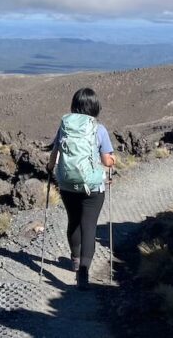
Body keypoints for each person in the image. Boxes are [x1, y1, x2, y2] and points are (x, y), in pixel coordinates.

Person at [46, 87, 116, 290]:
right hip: (92, 187)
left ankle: (75, 260)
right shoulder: (99, 128)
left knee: (74, 221)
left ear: (74, 105)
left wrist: (50, 169)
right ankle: (84, 270)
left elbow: (54, 154)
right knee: (89, 226)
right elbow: (106, 160)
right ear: (95, 107)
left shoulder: (65, 126)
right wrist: (111, 161)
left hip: (67, 184)